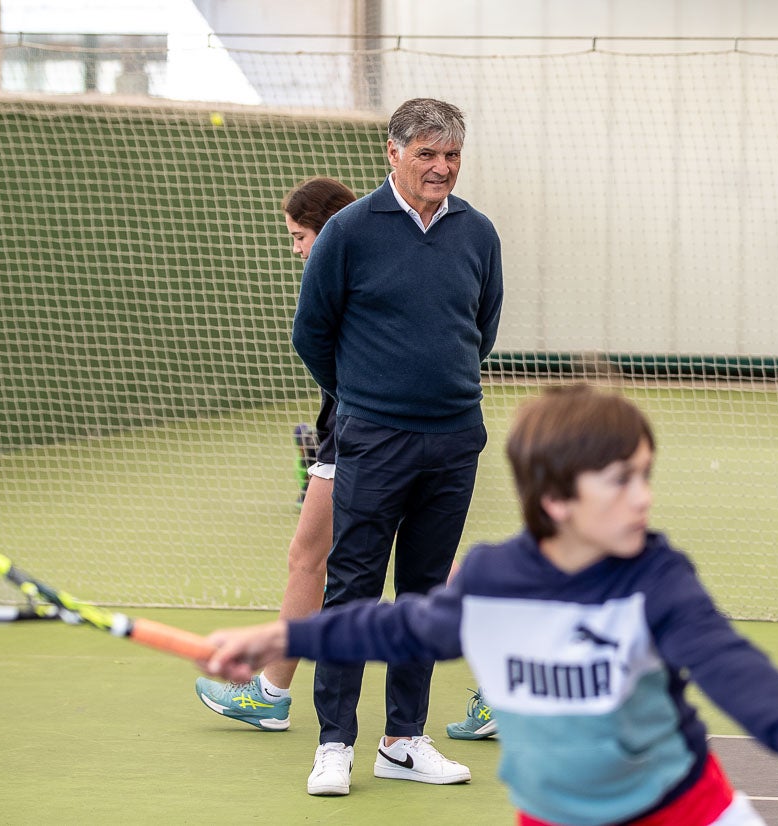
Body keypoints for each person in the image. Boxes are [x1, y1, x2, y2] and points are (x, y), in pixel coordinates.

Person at [198, 385, 778, 824]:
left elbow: (727, 664)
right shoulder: (493, 580)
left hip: (685, 809)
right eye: (621, 482)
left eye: (645, 476)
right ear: (557, 502)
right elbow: (400, 626)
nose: (643, 497)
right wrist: (280, 638)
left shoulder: (656, 576)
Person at [289, 97, 504, 796]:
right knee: (352, 589)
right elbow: (311, 334)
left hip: (453, 441)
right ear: (392, 153)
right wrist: (365, 398)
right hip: (373, 439)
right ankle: (333, 744)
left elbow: (481, 326)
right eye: (427, 155)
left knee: (422, 593)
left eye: (451, 157)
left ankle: (403, 740)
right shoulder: (348, 233)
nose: (441, 168)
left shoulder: (479, 234)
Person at [194, 177, 357, 731]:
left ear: (328, 229)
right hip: (383, 435)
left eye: (299, 235)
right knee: (414, 565)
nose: (296, 248)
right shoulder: (374, 265)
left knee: (307, 560)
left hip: (358, 437)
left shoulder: (337, 275)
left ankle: (268, 693)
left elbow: (317, 348)